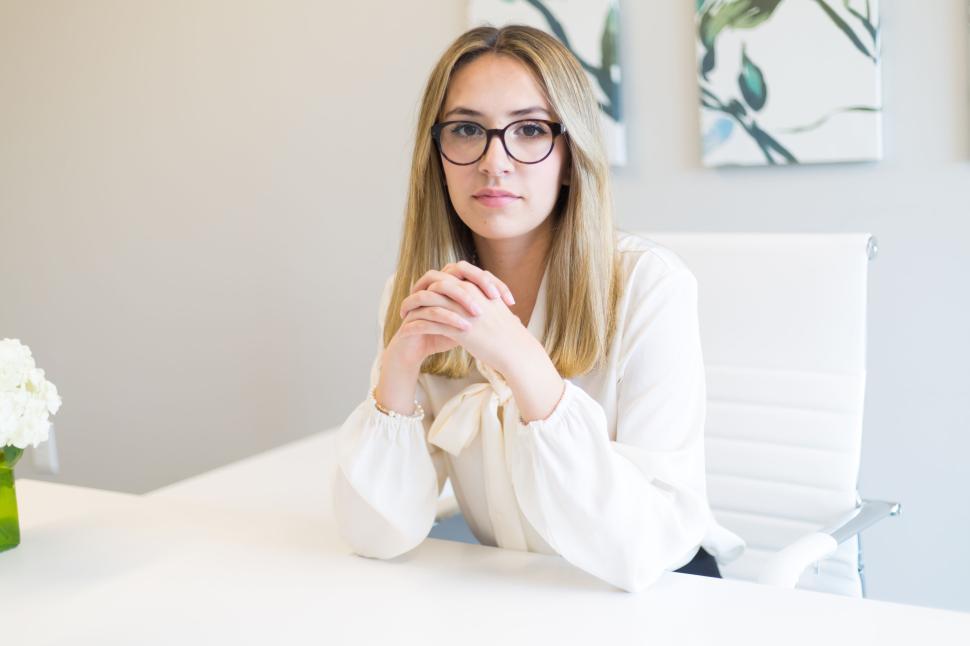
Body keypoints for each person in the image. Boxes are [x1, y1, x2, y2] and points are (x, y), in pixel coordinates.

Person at [332, 24, 745, 592]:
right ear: (438, 155)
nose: (493, 161)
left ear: (571, 156)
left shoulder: (650, 286)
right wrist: (397, 376)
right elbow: (377, 537)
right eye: (466, 129)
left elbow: (645, 545)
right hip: (522, 596)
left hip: (659, 590)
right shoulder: (419, 295)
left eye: (529, 130)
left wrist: (520, 359)